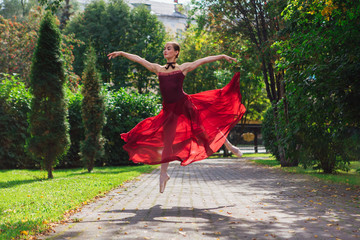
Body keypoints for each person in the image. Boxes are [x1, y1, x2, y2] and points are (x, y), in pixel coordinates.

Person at [108, 42, 246, 193]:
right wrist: (122, 52)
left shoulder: (182, 68)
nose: (165, 51)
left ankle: (230, 146)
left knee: (205, 127)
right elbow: (139, 60)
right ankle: (163, 174)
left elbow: (203, 60)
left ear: (176, 52)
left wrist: (221, 56)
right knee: (168, 141)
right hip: (169, 110)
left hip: (184, 105)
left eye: (168, 49)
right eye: (164, 48)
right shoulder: (158, 69)